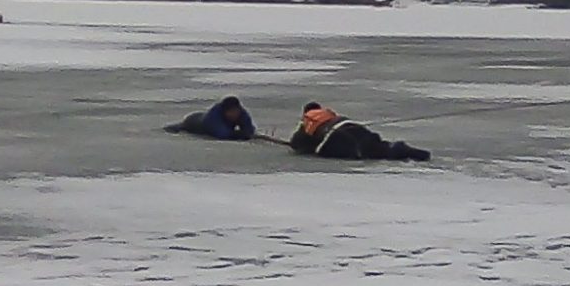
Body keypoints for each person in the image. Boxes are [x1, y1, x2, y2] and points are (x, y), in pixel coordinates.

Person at [288, 103, 430, 162]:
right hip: (352, 126)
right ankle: (405, 150)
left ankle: (399, 151)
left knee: (366, 154)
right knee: (378, 147)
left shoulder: (307, 121)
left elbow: (297, 144)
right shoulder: (328, 114)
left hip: (334, 138)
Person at [168, 95, 256, 140]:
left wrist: (247, 132)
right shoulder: (214, 116)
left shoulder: (242, 113)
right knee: (181, 127)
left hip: (204, 118)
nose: (234, 114)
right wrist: (239, 134)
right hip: (193, 122)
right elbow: (222, 134)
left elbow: (249, 129)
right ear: (225, 111)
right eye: (231, 112)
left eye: (236, 111)